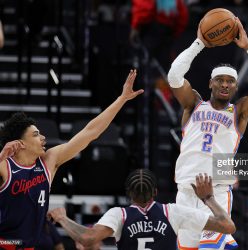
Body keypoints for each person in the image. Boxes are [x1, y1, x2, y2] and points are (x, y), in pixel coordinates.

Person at [0, 70, 143, 249]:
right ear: (21, 143)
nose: (43, 137)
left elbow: (91, 132)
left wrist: (121, 99)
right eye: (36, 134)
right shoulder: (5, 166)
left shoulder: (48, 161)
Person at [167, 18, 248, 249]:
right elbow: (174, 77)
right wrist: (199, 43)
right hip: (185, 193)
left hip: (215, 192)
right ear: (210, 83)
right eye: (220, 80)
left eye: (230, 81)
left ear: (236, 87)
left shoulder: (239, 113)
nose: (225, 85)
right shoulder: (193, 105)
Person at [47, 169, 236, 250]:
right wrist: (208, 198)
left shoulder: (119, 215)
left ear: (128, 193)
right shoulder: (173, 212)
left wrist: (63, 218)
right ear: (155, 191)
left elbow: (86, 239)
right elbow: (228, 226)